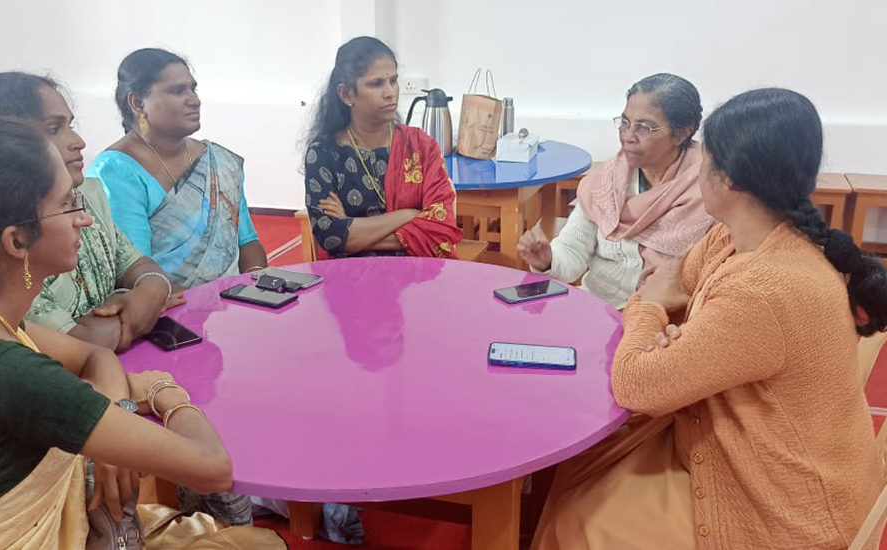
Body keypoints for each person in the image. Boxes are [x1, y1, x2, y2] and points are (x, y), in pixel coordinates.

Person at [0, 118, 284, 548]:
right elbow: (212, 467)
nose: (86, 220)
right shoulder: (6, 370)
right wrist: (167, 393)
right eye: (70, 203)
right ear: (17, 241)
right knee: (261, 543)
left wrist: (119, 408)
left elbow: (95, 357)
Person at [531, 88, 887, 549]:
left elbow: (639, 378)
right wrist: (676, 323)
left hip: (782, 509)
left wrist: (653, 312)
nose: (697, 171)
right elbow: (677, 279)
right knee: (585, 467)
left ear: (731, 179)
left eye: (705, 160)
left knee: (579, 518)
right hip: (752, 452)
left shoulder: (765, 290)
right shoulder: (738, 237)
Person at [0, 72, 185, 353]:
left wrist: (148, 291)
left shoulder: (87, 195)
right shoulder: (3, 240)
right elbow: (81, 344)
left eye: (70, 125)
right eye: (54, 129)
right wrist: (142, 305)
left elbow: (142, 268)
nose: (78, 141)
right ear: (4, 145)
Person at [518, 73, 714, 309]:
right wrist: (548, 260)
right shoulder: (607, 179)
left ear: (682, 133)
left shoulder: (709, 186)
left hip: (663, 320)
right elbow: (573, 249)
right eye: (624, 123)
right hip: (597, 308)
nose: (628, 137)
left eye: (644, 127)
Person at [88, 48, 266, 287]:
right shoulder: (115, 173)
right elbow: (135, 272)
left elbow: (248, 241)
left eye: (193, 89)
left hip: (234, 302)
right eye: (178, 91)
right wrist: (208, 304)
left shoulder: (217, 160)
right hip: (164, 311)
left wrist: (256, 286)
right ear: (138, 103)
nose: (194, 100)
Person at [304, 36, 463, 259]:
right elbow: (331, 236)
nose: (390, 92)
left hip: (416, 279)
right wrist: (410, 215)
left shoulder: (421, 147)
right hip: (350, 281)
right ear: (346, 94)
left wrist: (353, 229)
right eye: (376, 84)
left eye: (393, 80)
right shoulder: (325, 154)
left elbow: (440, 230)